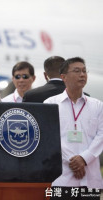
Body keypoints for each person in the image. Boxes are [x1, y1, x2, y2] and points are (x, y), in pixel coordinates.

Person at [44, 57, 103, 199]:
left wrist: (84, 159)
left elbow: (101, 135)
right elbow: (48, 137)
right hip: (61, 178)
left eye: (84, 71)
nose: (82, 74)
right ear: (63, 77)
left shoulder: (97, 105)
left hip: (90, 180)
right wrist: (73, 160)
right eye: (77, 71)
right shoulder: (50, 104)